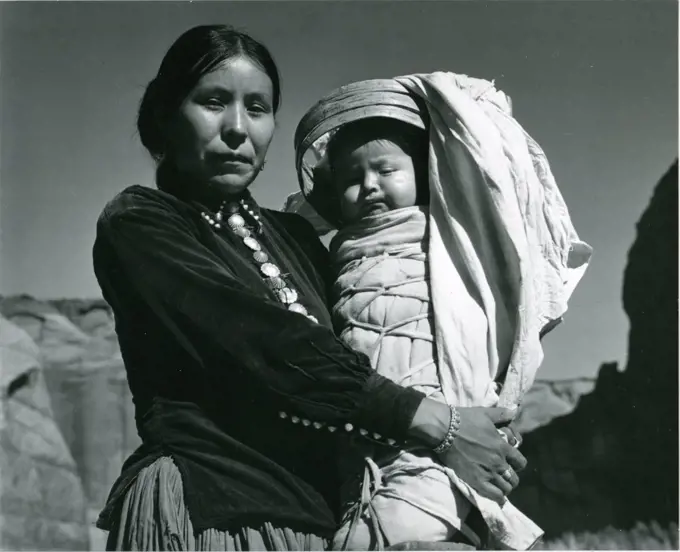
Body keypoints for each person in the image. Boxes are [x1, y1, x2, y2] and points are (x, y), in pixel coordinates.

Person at [93, 26, 527, 551]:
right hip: (215, 511)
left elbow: (374, 342)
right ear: (165, 113)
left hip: (326, 521)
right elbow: (268, 344)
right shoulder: (142, 222)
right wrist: (442, 425)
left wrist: (479, 425)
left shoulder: (299, 237)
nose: (237, 128)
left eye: (257, 108)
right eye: (212, 102)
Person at [290, 75, 592, 550]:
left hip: (444, 417)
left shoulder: (448, 240)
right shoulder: (332, 256)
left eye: (386, 170)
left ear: (422, 172)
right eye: (351, 178)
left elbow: (482, 145)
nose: (369, 186)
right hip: (379, 433)